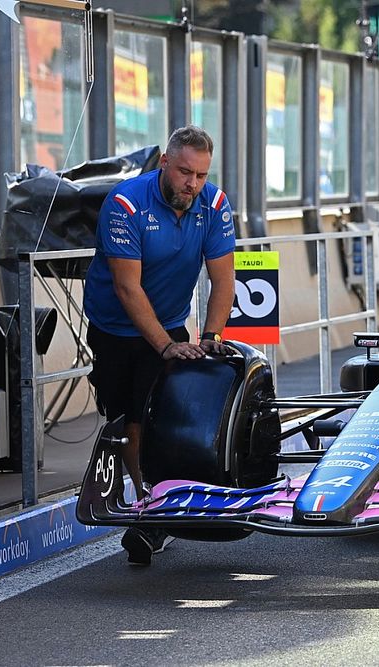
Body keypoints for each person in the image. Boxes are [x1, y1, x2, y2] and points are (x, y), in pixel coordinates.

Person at [84, 125, 236, 564]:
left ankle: (153, 512)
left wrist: (210, 336)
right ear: (165, 164)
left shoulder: (215, 204)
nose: (193, 184)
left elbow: (223, 279)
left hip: (171, 323)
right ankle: (146, 503)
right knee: (126, 420)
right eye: (185, 172)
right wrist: (164, 346)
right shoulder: (126, 202)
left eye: (201, 176)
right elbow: (128, 288)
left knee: (153, 419)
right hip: (117, 328)